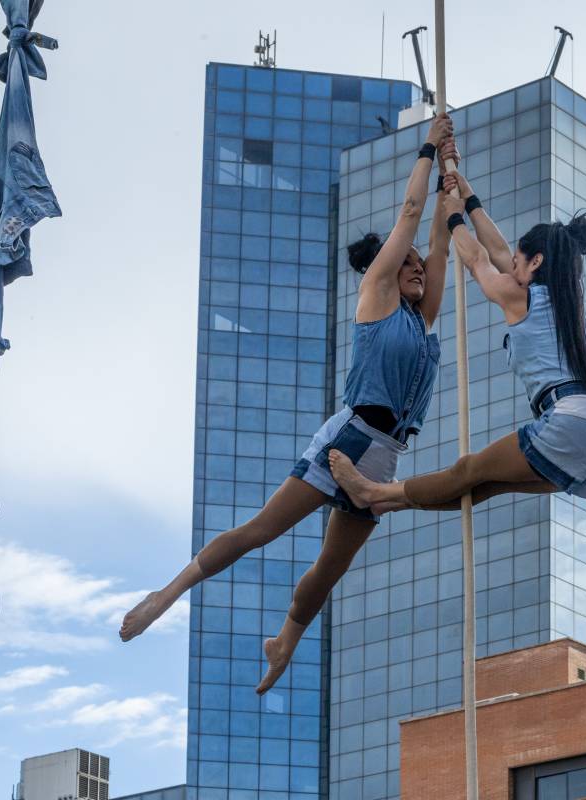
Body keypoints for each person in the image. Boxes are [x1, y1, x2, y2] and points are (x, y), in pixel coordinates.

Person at [120, 114, 458, 695]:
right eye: (408, 266)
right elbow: (411, 217)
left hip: (385, 457)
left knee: (329, 572)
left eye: (419, 270)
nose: (418, 272)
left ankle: (285, 642)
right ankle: (166, 594)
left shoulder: (422, 318)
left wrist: (453, 178)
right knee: (262, 531)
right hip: (349, 440)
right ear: (388, 269)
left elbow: (438, 240)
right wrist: (428, 146)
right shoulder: (376, 296)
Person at [329, 171, 586, 516]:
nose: (510, 267)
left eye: (517, 262)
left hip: (571, 421)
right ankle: (390, 501)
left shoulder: (520, 294)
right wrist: (467, 196)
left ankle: (372, 491)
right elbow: (498, 250)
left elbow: (479, 260)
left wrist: (455, 217)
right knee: (482, 485)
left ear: (537, 262)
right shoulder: (566, 305)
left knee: (467, 470)